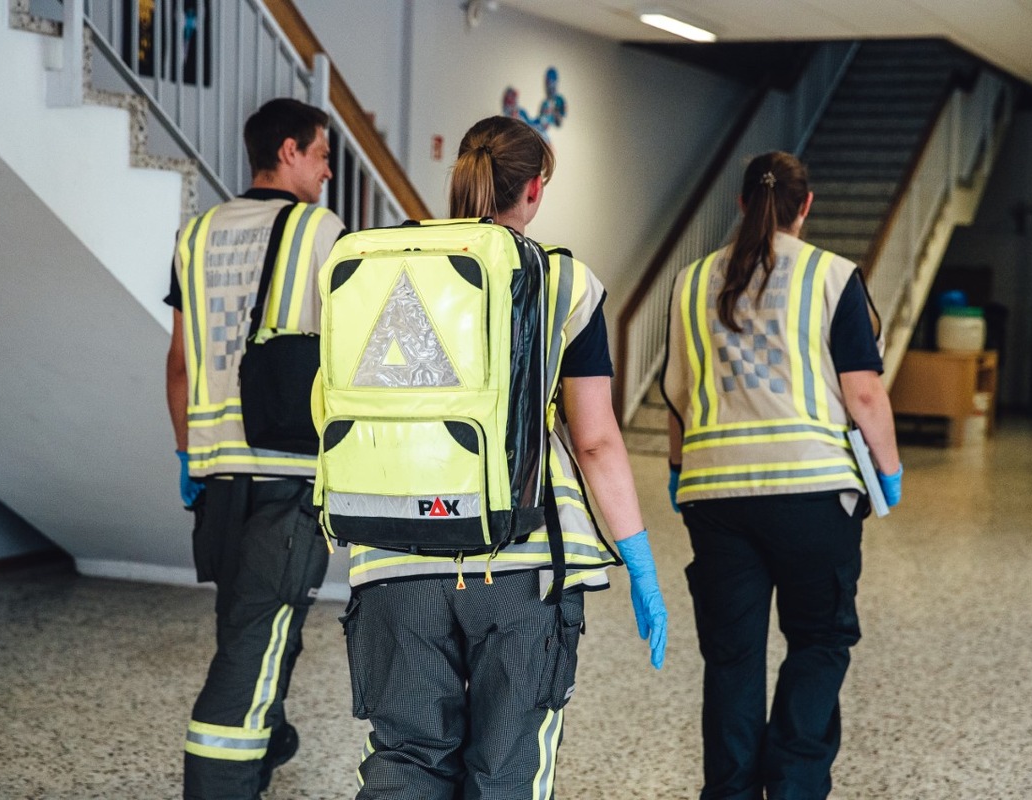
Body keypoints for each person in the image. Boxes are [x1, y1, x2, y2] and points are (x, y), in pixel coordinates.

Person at [338, 115, 668, 799]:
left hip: (391, 556)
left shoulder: (371, 263)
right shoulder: (564, 281)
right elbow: (597, 438)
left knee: (403, 762)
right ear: (536, 190)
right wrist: (637, 556)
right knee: (508, 769)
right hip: (519, 565)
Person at [662, 151, 902, 800]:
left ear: (742, 205)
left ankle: (732, 792)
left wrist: (680, 471)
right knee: (820, 640)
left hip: (716, 495)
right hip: (813, 495)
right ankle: (794, 784)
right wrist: (890, 469)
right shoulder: (831, 275)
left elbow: (677, 394)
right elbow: (865, 395)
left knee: (732, 658)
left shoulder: (689, 282)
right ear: (807, 205)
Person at [164, 98, 345, 800]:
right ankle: (220, 780)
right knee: (252, 645)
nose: (329, 172)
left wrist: (186, 454)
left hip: (216, 476)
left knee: (249, 625)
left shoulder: (198, 232)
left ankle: (269, 737)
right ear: (292, 150)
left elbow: (180, 362)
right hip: (289, 472)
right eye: (325, 155)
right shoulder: (319, 231)